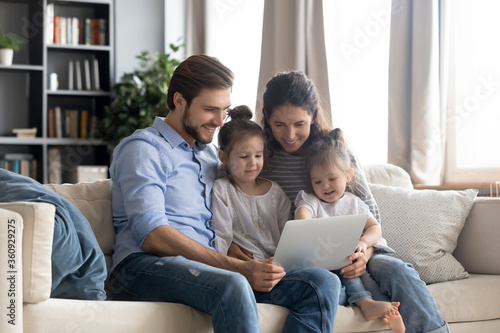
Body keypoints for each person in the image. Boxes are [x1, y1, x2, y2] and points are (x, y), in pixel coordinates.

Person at [107, 55, 340, 333]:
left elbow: (230, 202)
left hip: (208, 270)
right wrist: (236, 267)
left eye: (224, 109)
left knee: (321, 283)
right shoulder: (144, 148)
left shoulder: (212, 156)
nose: (219, 121)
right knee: (233, 283)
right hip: (142, 268)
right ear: (179, 101)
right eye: (209, 109)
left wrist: (243, 255)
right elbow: (152, 235)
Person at [239, 70, 449, 333]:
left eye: (299, 124)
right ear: (267, 117)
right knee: (330, 284)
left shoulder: (337, 153)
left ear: (313, 116)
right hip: (310, 261)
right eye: (279, 124)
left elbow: (370, 217)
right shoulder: (260, 159)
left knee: (398, 272)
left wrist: (365, 253)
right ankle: (365, 300)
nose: (289, 134)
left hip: (361, 251)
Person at [294, 128, 405, 333]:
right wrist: (304, 221)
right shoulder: (310, 200)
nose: (325, 186)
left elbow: (375, 227)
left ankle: (388, 314)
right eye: (317, 181)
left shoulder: (354, 203)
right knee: (337, 282)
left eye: (332, 179)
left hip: (349, 262)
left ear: (348, 175)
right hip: (320, 265)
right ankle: (364, 303)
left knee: (364, 277)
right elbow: (303, 217)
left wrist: (363, 243)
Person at [211, 105, 291, 259]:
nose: (252, 163)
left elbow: (288, 238)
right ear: (224, 157)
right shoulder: (222, 189)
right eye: (243, 156)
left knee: (322, 276)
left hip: (279, 266)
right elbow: (221, 237)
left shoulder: (276, 192)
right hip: (242, 268)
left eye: (258, 156)